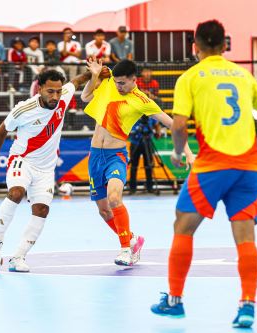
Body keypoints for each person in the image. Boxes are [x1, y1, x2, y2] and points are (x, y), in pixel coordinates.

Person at [149, 20, 257, 328]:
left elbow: (178, 126)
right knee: (245, 237)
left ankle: (175, 301)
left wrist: (178, 151)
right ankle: (247, 305)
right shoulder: (242, 75)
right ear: (224, 45)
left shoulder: (191, 77)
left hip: (212, 165)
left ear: (195, 47)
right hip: (247, 167)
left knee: (183, 225)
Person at [81, 59, 194, 267]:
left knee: (114, 198)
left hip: (116, 155)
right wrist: (95, 76)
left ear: (134, 80)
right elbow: (85, 96)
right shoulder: (108, 83)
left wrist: (188, 152)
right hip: (95, 156)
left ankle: (125, 249)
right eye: (117, 82)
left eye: (123, 83)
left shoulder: (142, 100)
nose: (118, 86)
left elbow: (172, 123)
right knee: (104, 211)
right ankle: (132, 240)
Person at [0, 68, 95, 272]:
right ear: (40, 88)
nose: (55, 96)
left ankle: (18, 258)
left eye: (58, 91)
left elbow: (77, 81)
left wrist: (93, 72)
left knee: (42, 209)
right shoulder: (24, 109)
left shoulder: (63, 98)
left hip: (46, 169)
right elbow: (2, 130)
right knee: (16, 192)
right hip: (22, 160)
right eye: (50, 91)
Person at [128, 116, 160, 194]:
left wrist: (157, 133)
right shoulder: (133, 115)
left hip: (148, 142)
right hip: (135, 142)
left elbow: (157, 124)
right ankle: (132, 188)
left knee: (149, 165)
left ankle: (150, 187)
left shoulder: (150, 115)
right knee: (133, 166)